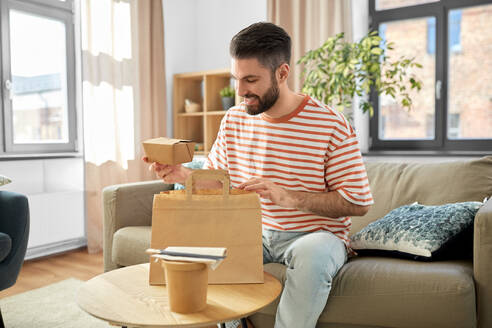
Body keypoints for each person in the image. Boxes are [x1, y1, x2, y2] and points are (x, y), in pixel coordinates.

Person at [144, 22, 373, 328]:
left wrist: (289, 198)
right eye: (236, 79)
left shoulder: (330, 124)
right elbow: (221, 181)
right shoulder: (234, 119)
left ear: (282, 73)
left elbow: (357, 202)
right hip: (254, 230)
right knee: (204, 245)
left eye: (250, 80)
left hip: (316, 236)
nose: (240, 92)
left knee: (313, 257)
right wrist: (184, 174)